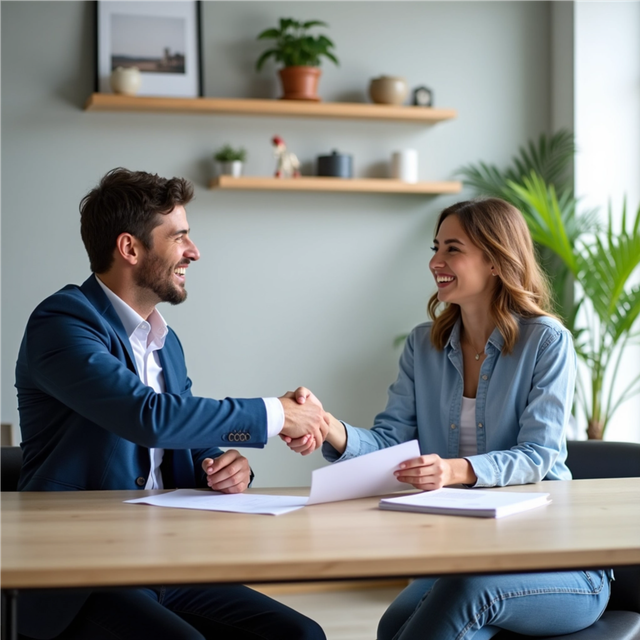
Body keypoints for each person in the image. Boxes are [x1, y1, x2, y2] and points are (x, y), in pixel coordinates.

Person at [15, 168, 327, 640]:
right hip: (81, 573)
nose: (194, 251)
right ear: (130, 248)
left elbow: (181, 435)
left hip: (166, 560)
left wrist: (221, 465)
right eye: (180, 237)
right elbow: (148, 418)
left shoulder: (165, 341)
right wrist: (278, 414)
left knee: (301, 635)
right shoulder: (61, 324)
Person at [285, 198, 611, 639]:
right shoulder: (424, 346)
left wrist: (453, 470)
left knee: (464, 595)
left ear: (495, 260)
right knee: (394, 627)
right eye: (435, 247)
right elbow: (392, 443)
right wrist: (332, 429)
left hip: (558, 561)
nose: (435, 261)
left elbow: (539, 454)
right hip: (466, 558)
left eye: (452, 249)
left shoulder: (547, 341)